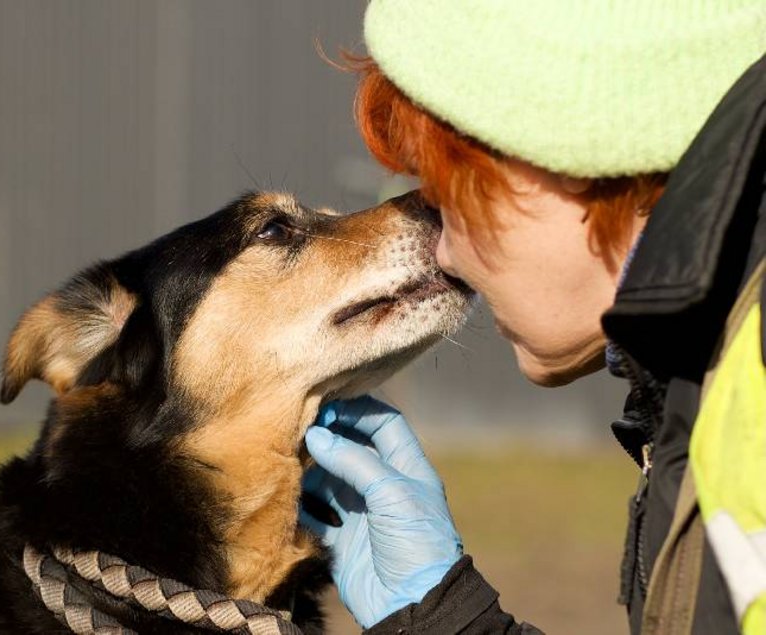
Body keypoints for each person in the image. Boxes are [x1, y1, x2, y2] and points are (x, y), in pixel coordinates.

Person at [299, 2, 766, 633]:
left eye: (445, 200)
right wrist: (443, 616)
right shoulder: (709, 372)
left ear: (572, 153)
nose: (445, 255)